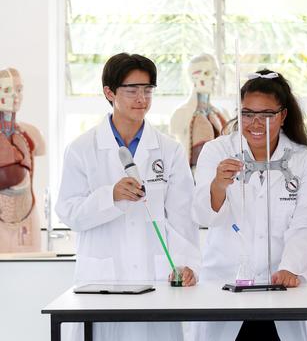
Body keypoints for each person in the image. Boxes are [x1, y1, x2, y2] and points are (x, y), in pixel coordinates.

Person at [55, 53, 200, 341]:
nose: (141, 99)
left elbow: (184, 217)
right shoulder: (82, 149)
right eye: (132, 90)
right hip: (102, 279)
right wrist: (110, 196)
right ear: (109, 92)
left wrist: (184, 263)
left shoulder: (168, 150)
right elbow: (69, 212)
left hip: (156, 275)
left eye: (147, 91)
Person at [191, 69, 307, 341]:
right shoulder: (217, 150)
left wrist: (290, 267)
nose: (255, 123)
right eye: (247, 114)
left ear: (283, 115)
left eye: (266, 115)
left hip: (281, 288)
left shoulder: (303, 160)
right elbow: (203, 215)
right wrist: (218, 185)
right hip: (226, 285)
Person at [0, 67, 46, 253]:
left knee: (29, 274)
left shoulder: (31, 133)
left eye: (19, 90)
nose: (15, 96)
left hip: (27, 215)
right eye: (7, 90)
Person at [169, 53, 228, 174]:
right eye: (207, 73)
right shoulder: (181, 113)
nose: (214, 78)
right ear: (194, 77)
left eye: (216, 73)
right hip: (192, 178)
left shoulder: (221, 112)